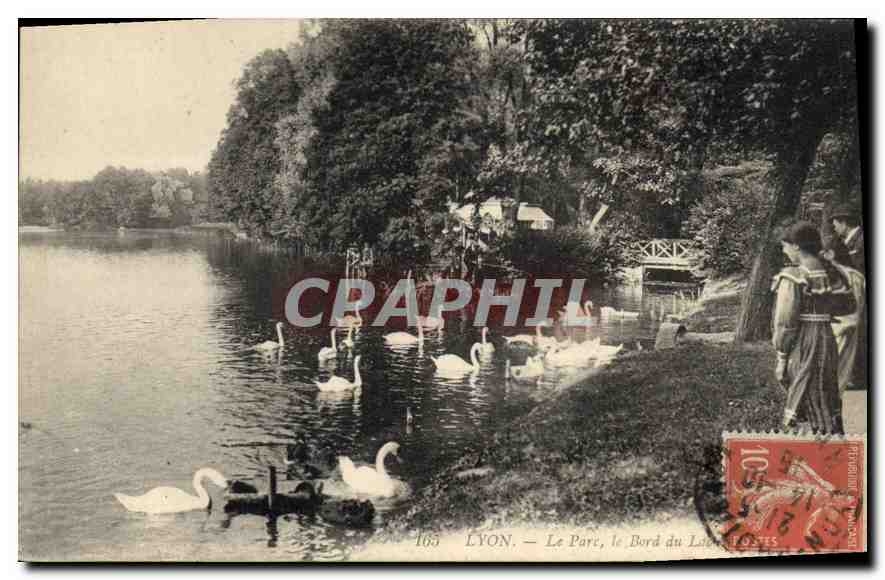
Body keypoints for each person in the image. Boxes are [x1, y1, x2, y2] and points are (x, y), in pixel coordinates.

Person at [772, 221, 854, 433]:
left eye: (785, 246)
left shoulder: (793, 276)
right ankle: (829, 439)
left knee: (804, 390)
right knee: (825, 391)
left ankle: (809, 444)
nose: (784, 251)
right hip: (827, 339)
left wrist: (781, 357)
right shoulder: (832, 272)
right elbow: (847, 306)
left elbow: (785, 322)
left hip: (805, 341)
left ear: (796, 246)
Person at [822, 237, 867, 393]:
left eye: (824, 251)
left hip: (836, 327)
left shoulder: (831, 274)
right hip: (852, 325)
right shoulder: (857, 276)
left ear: (831, 254)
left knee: (831, 371)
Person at [830, 204, 865, 274]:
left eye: (835, 225)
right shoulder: (849, 240)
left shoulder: (860, 241)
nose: (834, 229)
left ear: (844, 223)